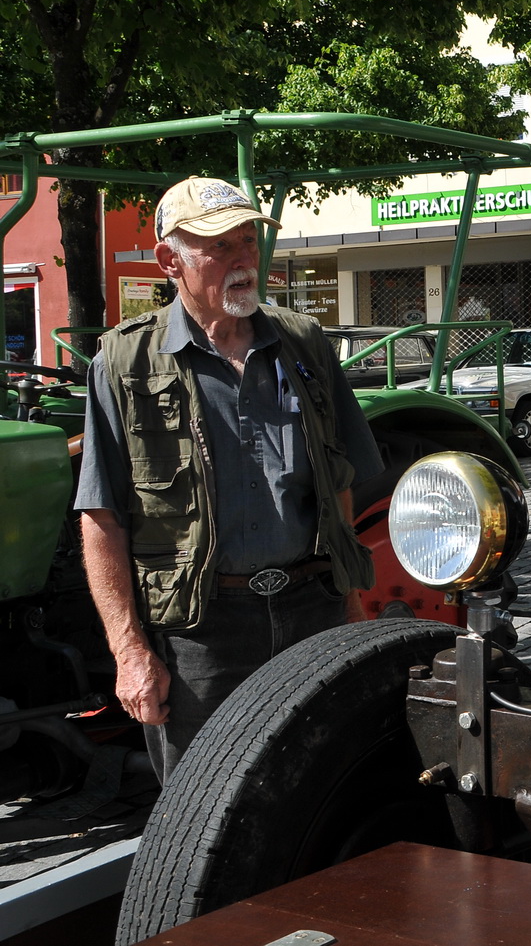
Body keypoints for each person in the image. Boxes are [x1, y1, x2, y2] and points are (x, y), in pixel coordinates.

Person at [76, 177, 383, 782]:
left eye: (249, 241)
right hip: (200, 635)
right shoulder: (123, 364)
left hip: (309, 610)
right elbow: (101, 517)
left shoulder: (304, 345)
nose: (245, 259)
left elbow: (338, 484)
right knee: (204, 817)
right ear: (171, 261)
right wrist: (129, 649)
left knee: (320, 784)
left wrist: (350, 603)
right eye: (221, 247)